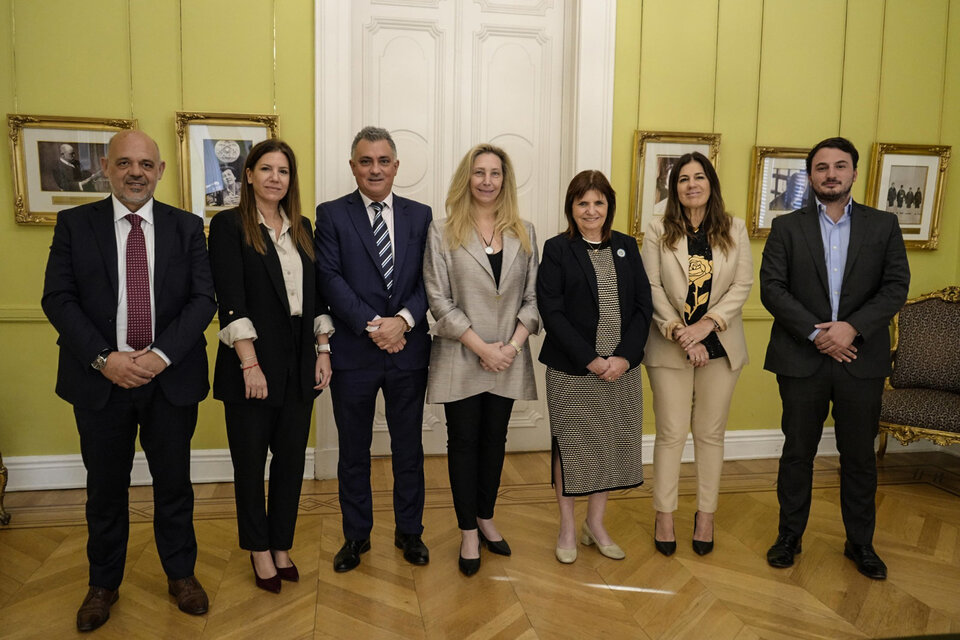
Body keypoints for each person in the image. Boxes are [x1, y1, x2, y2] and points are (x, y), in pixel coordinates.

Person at [41, 130, 216, 631]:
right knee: (105, 489)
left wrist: (159, 355)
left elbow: (203, 300)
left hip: (170, 381)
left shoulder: (187, 227)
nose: (135, 172)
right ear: (108, 169)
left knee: (175, 486)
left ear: (160, 171)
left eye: (145, 163)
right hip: (100, 382)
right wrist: (105, 358)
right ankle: (102, 584)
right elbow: (58, 298)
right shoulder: (75, 224)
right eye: (124, 163)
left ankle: (181, 575)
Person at [760, 136, 909, 580]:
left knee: (859, 456)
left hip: (860, 360)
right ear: (811, 176)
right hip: (801, 359)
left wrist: (851, 328)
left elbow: (895, 287)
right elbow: (773, 288)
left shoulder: (884, 225)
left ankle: (860, 544)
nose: (831, 174)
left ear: (854, 173)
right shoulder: (786, 227)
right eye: (822, 167)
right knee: (797, 453)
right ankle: (789, 537)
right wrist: (817, 334)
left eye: (840, 166)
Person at [208, 140, 333, 593]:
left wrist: (323, 351)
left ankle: (281, 544)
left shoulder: (302, 227)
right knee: (250, 462)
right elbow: (231, 300)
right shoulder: (227, 227)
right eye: (266, 169)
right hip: (252, 363)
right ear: (248, 175)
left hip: (300, 362)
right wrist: (250, 364)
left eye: (283, 170)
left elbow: (315, 297)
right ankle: (259, 549)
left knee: (290, 462)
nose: (275, 177)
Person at [315, 126, 433, 573]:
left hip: (408, 350)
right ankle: (356, 536)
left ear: (396, 166)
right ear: (353, 167)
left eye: (383, 160)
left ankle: (410, 533)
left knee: (408, 450)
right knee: (354, 452)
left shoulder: (421, 216)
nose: (375, 169)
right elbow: (329, 279)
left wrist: (401, 322)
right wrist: (375, 326)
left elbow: (432, 282)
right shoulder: (331, 215)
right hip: (355, 355)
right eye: (366, 161)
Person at [423, 143, 539, 575]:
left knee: (495, 442)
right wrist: (483, 347)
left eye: (495, 173)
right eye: (479, 173)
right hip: (462, 356)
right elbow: (438, 298)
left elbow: (532, 299)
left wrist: (510, 346)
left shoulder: (524, 231)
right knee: (465, 443)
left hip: (508, 357)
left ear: (504, 180)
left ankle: (487, 517)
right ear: (466, 179)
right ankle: (467, 531)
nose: (487, 181)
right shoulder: (442, 231)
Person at [641, 152, 754, 557]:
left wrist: (705, 329)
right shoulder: (657, 229)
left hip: (721, 345)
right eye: (683, 179)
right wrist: (680, 332)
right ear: (675, 189)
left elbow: (742, 286)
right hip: (669, 342)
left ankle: (706, 514)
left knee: (710, 434)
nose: (691, 184)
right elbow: (651, 287)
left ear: (711, 184)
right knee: (671, 432)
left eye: (699, 177)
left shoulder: (735, 228)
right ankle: (665, 514)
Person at [537, 170, 651, 564]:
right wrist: (591, 359)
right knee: (572, 447)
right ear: (571, 207)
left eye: (598, 202)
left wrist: (623, 358)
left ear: (609, 206)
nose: (591, 210)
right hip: (573, 369)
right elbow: (551, 312)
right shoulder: (557, 249)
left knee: (608, 444)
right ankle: (568, 526)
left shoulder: (626, 246)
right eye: (582, 202)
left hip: (621, 368)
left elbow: (642, 308)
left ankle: (596, 524)